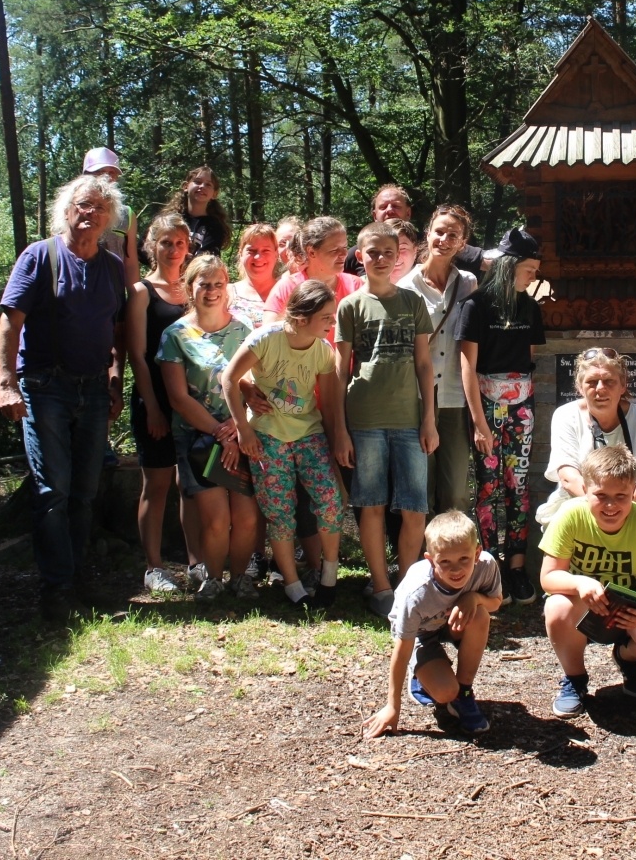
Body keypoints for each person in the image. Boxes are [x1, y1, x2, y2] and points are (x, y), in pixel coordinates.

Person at [0, 174, 127, 621]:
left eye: (99, 209)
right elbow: (10, 324)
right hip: (44, 388)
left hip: (93, 390)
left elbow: (114, 331)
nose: (89, 214)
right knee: (53, 490)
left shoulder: (111, 266)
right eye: (83, 205)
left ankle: (75, 581)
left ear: (110, 219)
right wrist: (5, 382)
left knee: (85, 492)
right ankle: (56, 592)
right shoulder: (40, 257)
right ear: (66, 210)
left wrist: (115, 381)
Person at [225, 281, 353, 608]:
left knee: (331, 502)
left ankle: (329, 577)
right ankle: (292, 585)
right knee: (280, 514)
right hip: (267, 437)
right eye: (325, 316)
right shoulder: (267, 339)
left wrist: (335, 440)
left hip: (309, 435)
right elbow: (229, 378)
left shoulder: (323, 350)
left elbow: (323, 402)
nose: (331, 322)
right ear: (301, 317)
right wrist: (243, 429)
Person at [337, 223, 439, 617]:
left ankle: (404, 586)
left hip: (409, 420)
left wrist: (428, 420)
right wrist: (339, 428)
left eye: (387, 252)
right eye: (371, 252)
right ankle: (379, 586)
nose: (380, 259)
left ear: (399, 255)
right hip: (364, 419)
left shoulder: (412, 303)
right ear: (360, 256)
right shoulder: (350, 306)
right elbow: (339, 368)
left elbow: (425, 364)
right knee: (372, 504)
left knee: (415, 507)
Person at [540, 446, 636, 716]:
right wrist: (580, 583)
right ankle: (575, 679)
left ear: (633, 492)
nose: (611, 505)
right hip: (583, 605)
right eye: (601, 496)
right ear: (585, 488)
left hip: (631, 607)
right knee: (556, 606)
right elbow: (548, 577)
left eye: (621, 497)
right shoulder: (570, 515)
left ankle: (627, 657)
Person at [157, 254, 259, 600]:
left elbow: (251, 384)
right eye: (204, 284)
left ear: (226, 287)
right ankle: (213, 578)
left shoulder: (244, 330)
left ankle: (241, 577)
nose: (212, 291)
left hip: (242, 434)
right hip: (198, 440)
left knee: (245, 515)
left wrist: (236, 428)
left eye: (218, 284)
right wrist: (220, 432)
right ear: (190, 288)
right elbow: (178, 397)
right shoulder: (175, 335)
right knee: (215, 517)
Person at [456, 228, 546, 604]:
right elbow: (467, 364)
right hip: (487, 406)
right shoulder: (476, 305)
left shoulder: (529, 306)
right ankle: (490, 566)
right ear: (510, 267)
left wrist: (524, 402)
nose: (533, 276)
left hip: (521, 406)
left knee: (518, 485)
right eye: (528, 269)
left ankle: (516, 569)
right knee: (489, 485)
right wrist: (479, 421)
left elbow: (530, 358)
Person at [362, 510, 501, 738]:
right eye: (445, 562)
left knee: (480, 615)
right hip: (420, 632)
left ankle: (464, 693)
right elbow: (402, 647)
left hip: (451, 623)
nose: (456, 569)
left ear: (477, 553)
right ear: (429, 559)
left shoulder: (486, 566)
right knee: (445, 692)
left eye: (463, 559)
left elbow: (495, 602)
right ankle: (421, 674)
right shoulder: (417, 593)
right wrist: (392, 706)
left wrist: (474, 598)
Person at [125, 213, 199, 594]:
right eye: (166, 242)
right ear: (152, 246)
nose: (173, 249)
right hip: (154, 399)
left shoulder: (192, 289)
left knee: (189, 484)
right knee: (156, 484)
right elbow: (137, 355)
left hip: (192, 401)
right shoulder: (141, 292)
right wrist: (152, 407)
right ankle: (153, 567)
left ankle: (196, 562)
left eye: (180, 243)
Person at [398, 205, 478, 516]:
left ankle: (454, 554)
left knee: (456, 489)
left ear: (462, 243)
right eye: (439, 232)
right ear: (428, 233)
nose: (444, 239)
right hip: (417, 398)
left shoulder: (469, 283)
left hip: (456, 399)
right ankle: (424, 559)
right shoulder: (406, 287)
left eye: (453, 235)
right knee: (421, 487)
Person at [538, 348, 636, 521]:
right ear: (579, 386)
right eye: (592, 381)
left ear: (623, 385)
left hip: (635, 509)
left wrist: (616, 515)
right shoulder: (565, 415)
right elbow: (569, 478)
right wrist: (602, 513)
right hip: (579, 509)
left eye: (609, 381)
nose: (600, 388)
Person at [345, 184, 490, 277]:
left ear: (408, 213)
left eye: (396, 206)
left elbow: (485, 260)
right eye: (383, 207)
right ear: (374, 216)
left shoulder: (433, 243)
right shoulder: (356, 253)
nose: (389, 210)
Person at [264, 216, 362, 341]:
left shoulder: (357, 286)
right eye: (334, 250)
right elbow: (268, 337)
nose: (344, 254)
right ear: (311, 252)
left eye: (344, 247)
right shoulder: (287, 287)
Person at [81, 148, 141, 288]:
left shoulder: (126, 214)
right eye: (100, 172)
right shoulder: (73, 210)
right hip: (78, 288)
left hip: (114, 292)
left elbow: (130, 263)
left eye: (111, 172)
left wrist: (134, 297)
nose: (106, 177)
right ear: (86, 175)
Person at [163, 165, 231, 257]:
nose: (202, 186)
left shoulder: (215, 227)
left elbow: (206, 261)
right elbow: (144, 250)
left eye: (208, 184)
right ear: (186, 186)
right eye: (197, 182)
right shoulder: (168, 220)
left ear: (214, 194)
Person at [229, 223, 280, 330]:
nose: (258, 257)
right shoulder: (225, 294)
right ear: (240, 253)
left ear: (276, 254)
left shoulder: (288, 294)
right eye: (251, 251)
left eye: (266, 250)